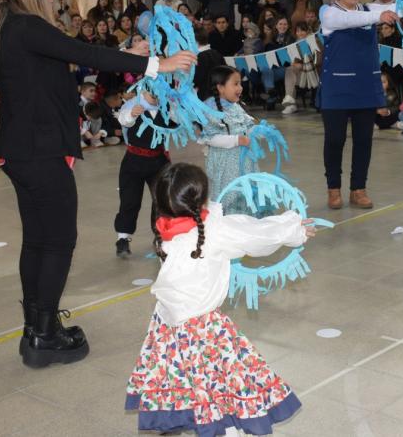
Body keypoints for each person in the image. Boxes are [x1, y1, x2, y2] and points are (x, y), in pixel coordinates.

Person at [0, 0, 196, 368]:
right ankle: (44, 334)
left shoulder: (14, 28)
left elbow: (74, 55)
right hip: (40, 150)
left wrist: (127, 50)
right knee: (58, 241)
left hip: (22, 150)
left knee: (37, 238)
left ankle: (36, 327)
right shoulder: (29, 26)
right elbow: (80, 51)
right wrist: (157, 63)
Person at [124, 162, 309, 436]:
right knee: (220, 380)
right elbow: (256, 234)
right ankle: (224, 424)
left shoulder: (165, 229)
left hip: (167, 324)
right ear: (202, 197)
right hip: (205, 328)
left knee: (185, 376)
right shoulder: (214, 231)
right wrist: (296, 228)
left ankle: (189, 414)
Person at [320, 0, 403, 210]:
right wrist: (378, 17)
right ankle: (333, 189)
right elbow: (350, 20)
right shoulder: (328, 13)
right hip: (336, 87)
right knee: (335, 139)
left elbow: (397, 8)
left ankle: (358, 189)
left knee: (364, 140)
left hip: (365, 86)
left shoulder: (368, 8)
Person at [111, 89, 172, 256]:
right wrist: (132, 113)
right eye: (151, 93)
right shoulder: (132, 105)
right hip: (134, 160)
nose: (155, 97)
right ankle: (123, 238)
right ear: (142, 90)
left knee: (162, 200)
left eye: (158, 93)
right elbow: (124, 121)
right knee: (130, 200)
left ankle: (160, 235)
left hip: (159, 160)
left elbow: (176, 123)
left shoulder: (165, 107)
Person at [198, 66, 258, 215]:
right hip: (225, 165)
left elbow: (247, 127)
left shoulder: (236, 106)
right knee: (229, 196)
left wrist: (260, 131)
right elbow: (211, 138)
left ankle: (246, 222)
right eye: (235, 84)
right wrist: (237, 140)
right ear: (220, 87)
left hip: (244, 162)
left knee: (246, 194)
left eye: (240, 83)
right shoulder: (210, 108)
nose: (240, 87)